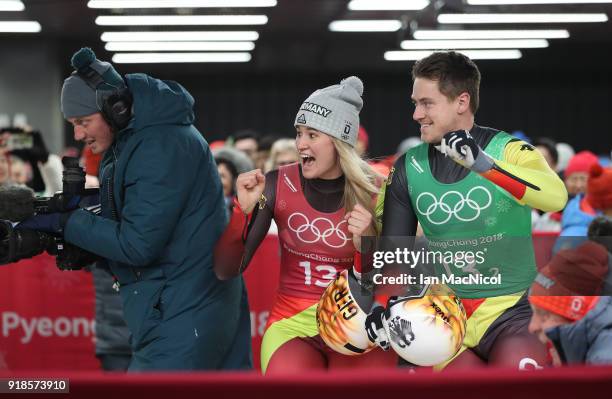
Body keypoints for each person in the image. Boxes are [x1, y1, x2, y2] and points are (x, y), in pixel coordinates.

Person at [18, 48, 251, 371]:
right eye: (72, 124)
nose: (78, 134)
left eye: (83, 122)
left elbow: (138, 244)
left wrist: (67, 221)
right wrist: (82, 241)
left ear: (116, 109)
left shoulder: (159, 145)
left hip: (184, 314)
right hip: (187, 306)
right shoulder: (137, 140)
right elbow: (144, 228)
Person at [374, 51, 568, 370]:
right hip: (445, 318)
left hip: (512, 314)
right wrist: (388, 305)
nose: (416, 114)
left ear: (461, 102)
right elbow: (394, 255)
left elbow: (556, 197)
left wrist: (485, 166)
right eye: (415, 103)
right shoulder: (408, 167)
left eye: (427, 103)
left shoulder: (508, 150)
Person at [214, 76, 396, 373]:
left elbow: (404, 278)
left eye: (312, 134)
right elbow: (225, 269)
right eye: (298, 133)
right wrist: (241, 213)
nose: (300, 144)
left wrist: (367, 245)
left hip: (361, 324)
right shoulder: (276, 183)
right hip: (293, 325)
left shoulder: (380, 187)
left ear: (340, 140)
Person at [528, 239, 612, 365]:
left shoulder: (603, 363)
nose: (532, 327)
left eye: (545, 315)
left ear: (580, 314)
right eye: (534, 312)